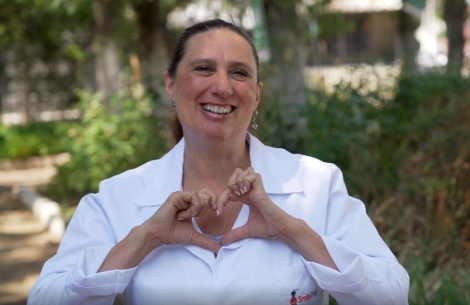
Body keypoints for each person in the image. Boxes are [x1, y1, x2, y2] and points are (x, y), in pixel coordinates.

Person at [28, 19, 409, 305]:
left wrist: (293, 231)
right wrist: (144, 239)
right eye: (204, 68)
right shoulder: (117, 198)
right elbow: (45, 298)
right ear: (171, 85)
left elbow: (392, 294)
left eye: (239, 73)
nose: (223, 87)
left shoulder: (315, 183)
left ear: (256, 96)